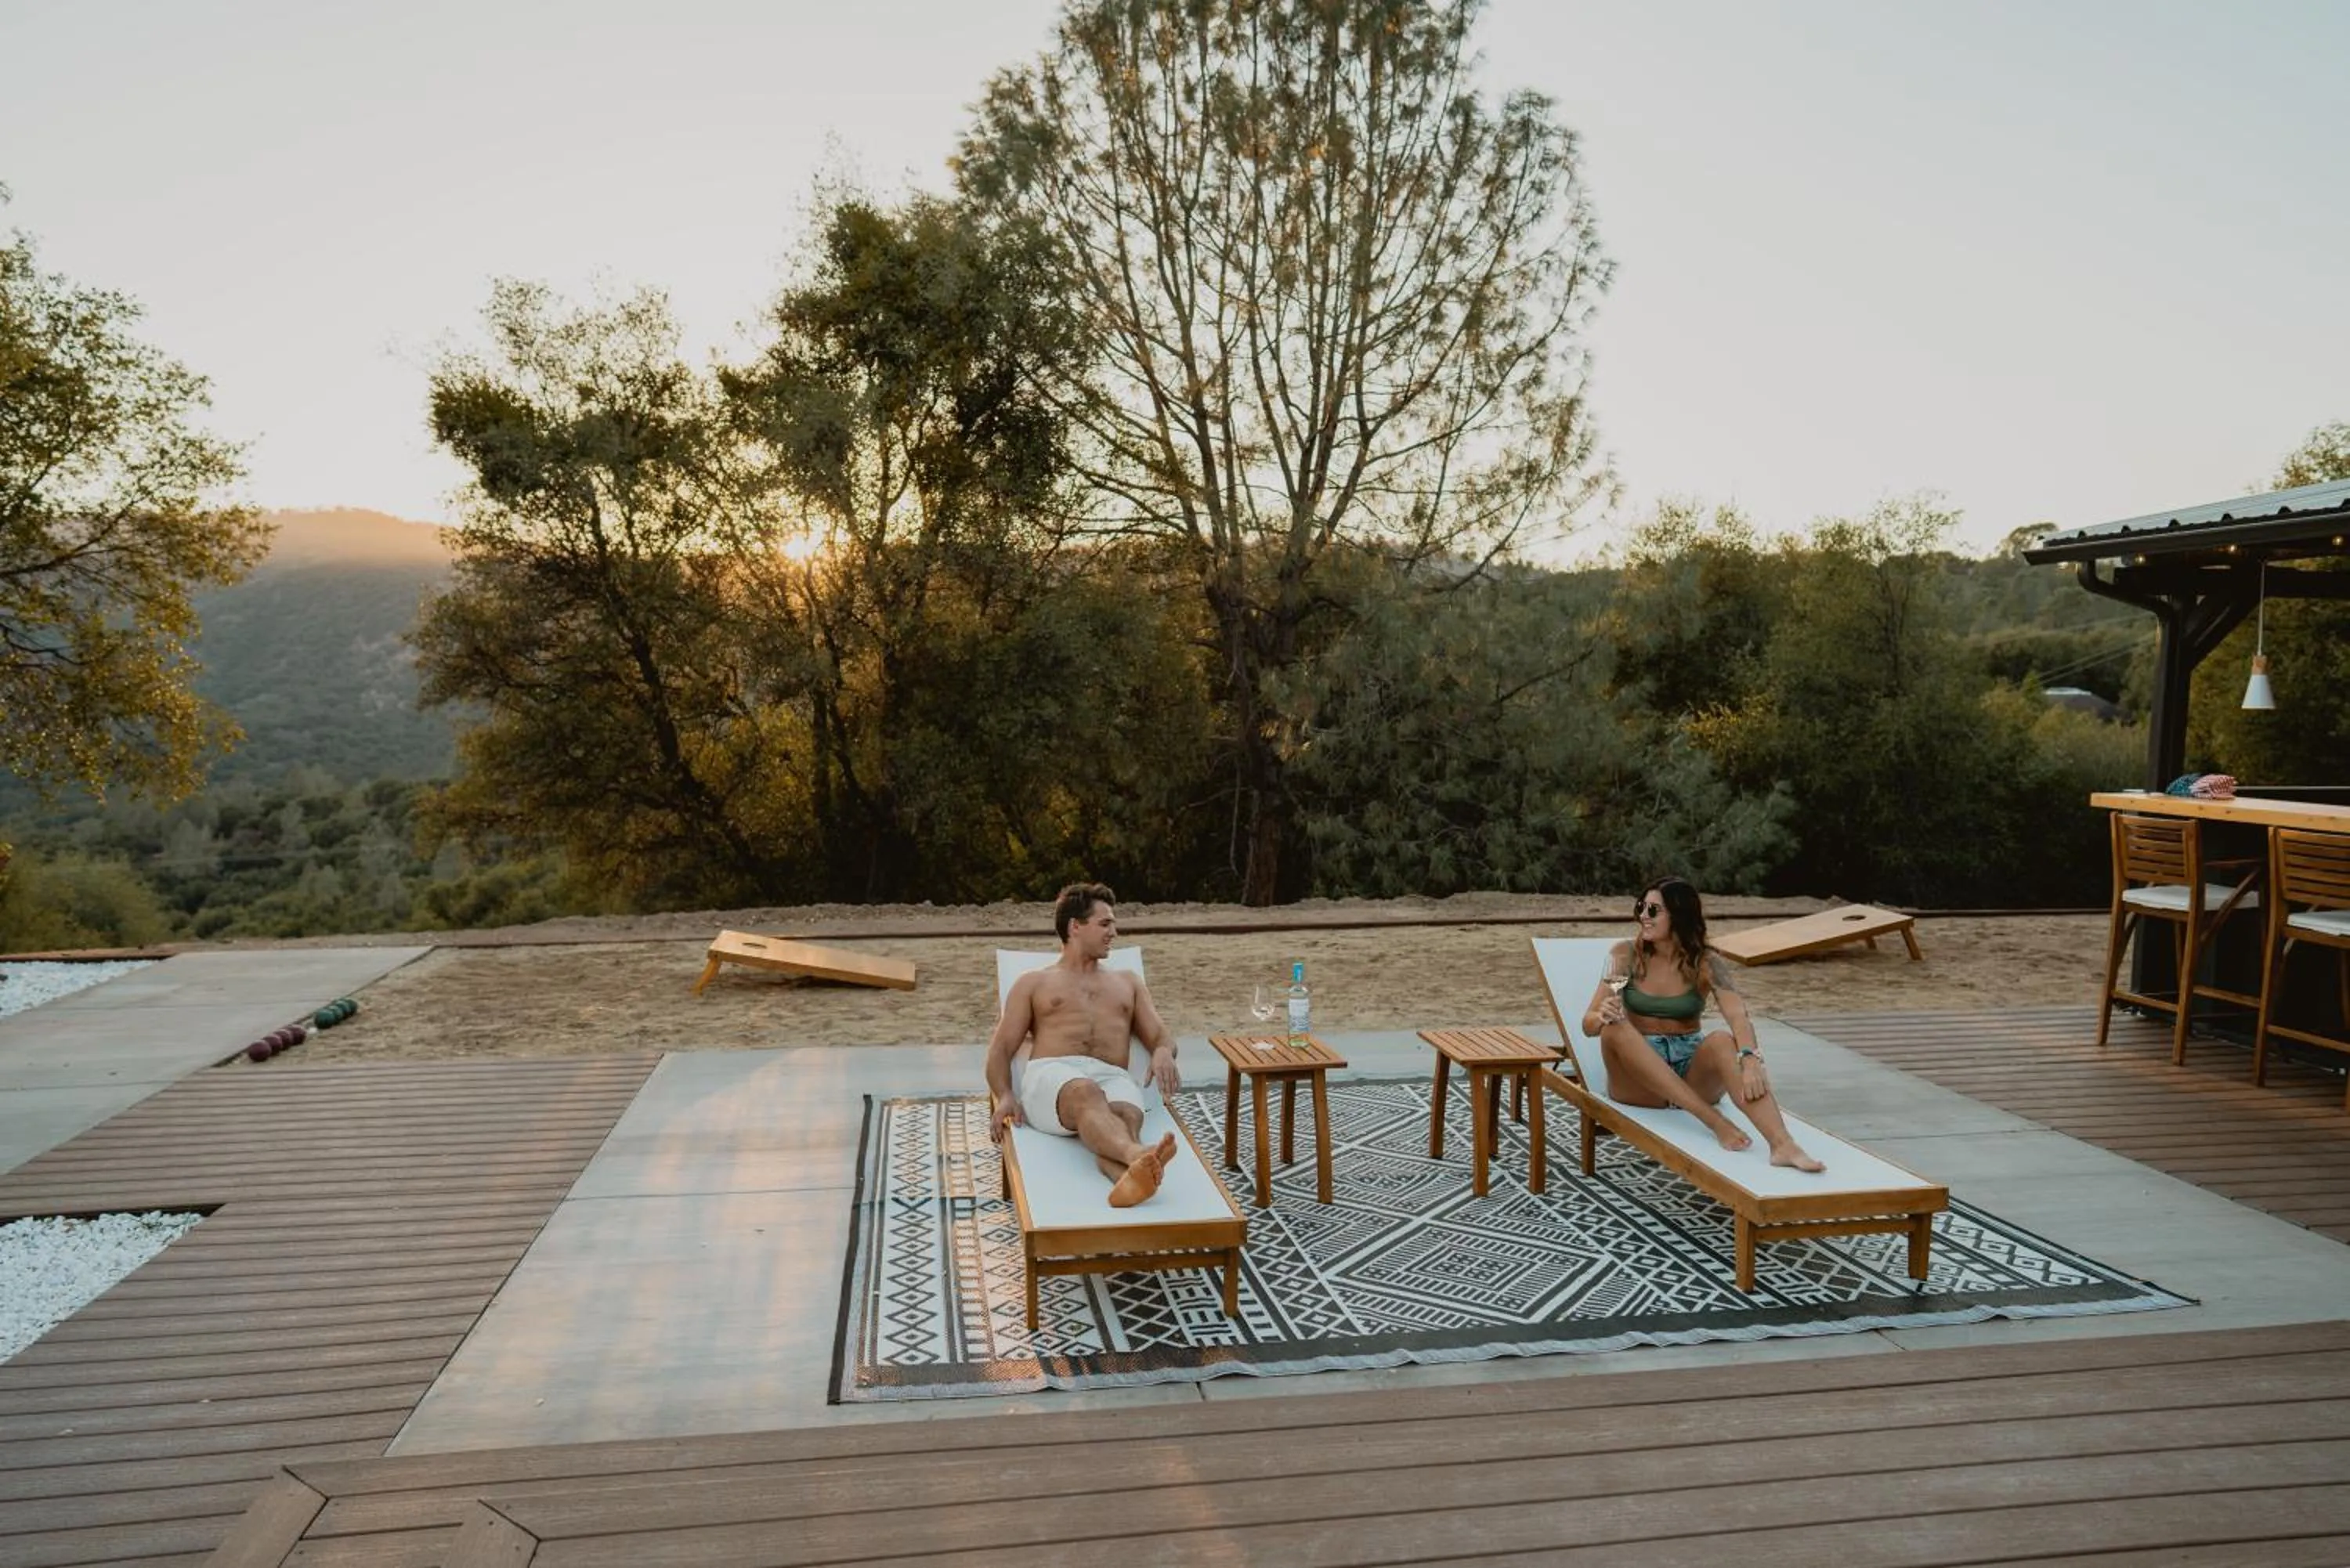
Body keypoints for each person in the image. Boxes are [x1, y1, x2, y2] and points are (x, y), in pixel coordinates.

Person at [1581, 876, 1825, 1172]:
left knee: (1723, 1040)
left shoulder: (1707, 963)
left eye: (1654, 910)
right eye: (1641, 907)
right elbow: (1589, 1023)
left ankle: (1783, 1145)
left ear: (1679, 915)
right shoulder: (1626, 956)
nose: (1643, 916)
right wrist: (1602, 1015)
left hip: (1690, 1072)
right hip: (1638, 1082)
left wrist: (1749, 1059)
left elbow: (1738, 1016)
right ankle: (1715, 1121)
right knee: (1616, 1027)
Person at [986, 882, 1182, 1207]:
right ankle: (1139, 1152)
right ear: (1075, 927)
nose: (1114, 933)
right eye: (1105, 924)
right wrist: (1005, 1095)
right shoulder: (1034, 983)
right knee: (1086, 1092)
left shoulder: (1127, 982)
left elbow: (1160, 1035)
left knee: (1127, 1116)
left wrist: (1163, 1051)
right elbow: (1000, 1049)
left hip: (1113, 1076)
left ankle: (1123, 1174)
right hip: (1053, 1077)